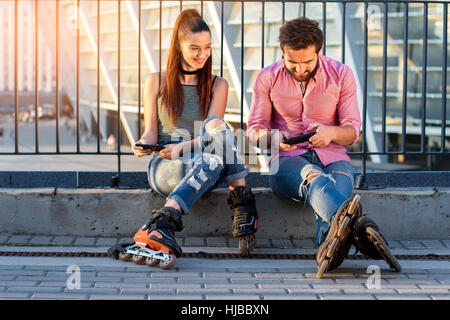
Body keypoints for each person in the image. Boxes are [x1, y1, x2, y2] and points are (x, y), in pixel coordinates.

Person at [247, 17, 400, 278]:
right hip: (287, 163)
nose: (300, 68)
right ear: (282, 51)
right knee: (316, 179)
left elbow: (353, 131)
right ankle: (361, 231)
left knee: (333, 187)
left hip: (334, 159)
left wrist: (330, 133)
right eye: (292, 62)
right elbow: (253, 130)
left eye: (307, 61)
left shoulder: (341, 75)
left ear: (319, 51)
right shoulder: (266, 77)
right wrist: (272, 139)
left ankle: (327, 246)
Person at [110, 9, 258, 268]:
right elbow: (151, 131)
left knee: (218, 133)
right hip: (165, 166)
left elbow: (215, 133)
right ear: (178, 47)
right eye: (194, 48)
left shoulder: (217, 84)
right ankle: (242, 205)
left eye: (207, 48)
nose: (202, 55)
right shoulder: (156, 81)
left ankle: (163, 221)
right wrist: (142, 144)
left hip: (204, 165)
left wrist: (183, 147)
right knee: (215, 155)